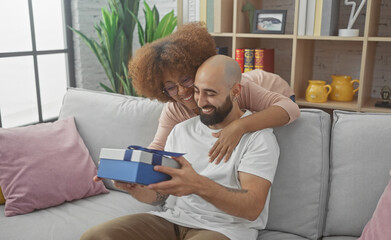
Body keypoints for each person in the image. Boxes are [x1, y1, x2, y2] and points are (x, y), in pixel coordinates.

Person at [81, 55, 280, 240]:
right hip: (172, 220)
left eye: (210, 94)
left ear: (235, 91)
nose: (200, 101)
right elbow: (162, 197)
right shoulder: (180, 131)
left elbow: (252, 207)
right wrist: (136, 189)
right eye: (197, 90)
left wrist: (198, 185)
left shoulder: (258, 139)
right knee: (96, 236)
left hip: (224, 229)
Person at [128, 22, 299, 163]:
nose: (181, 91)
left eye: (186, 79)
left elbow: (290, 108)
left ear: (198, 69)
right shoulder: (175, 109)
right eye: (171, 87)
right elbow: (158, 147)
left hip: (273, 87)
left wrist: (239, 126)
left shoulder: (237, 89)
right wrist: (132, 168)